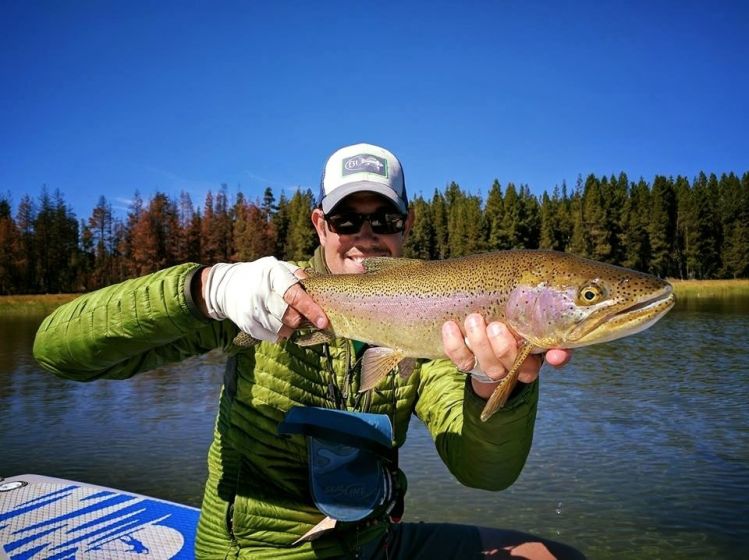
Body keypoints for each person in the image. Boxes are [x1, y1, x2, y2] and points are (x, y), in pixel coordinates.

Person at [33, 143, 583, 559]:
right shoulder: (261, 298)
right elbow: (60, 351)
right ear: (321, 224)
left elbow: (484, 472)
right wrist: (206, 290)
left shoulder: (438, 327)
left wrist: (495, 388)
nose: (366, 235)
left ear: (407, 225)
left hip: (373, 544)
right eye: (347, 219)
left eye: (384, 219)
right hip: (259, 552)